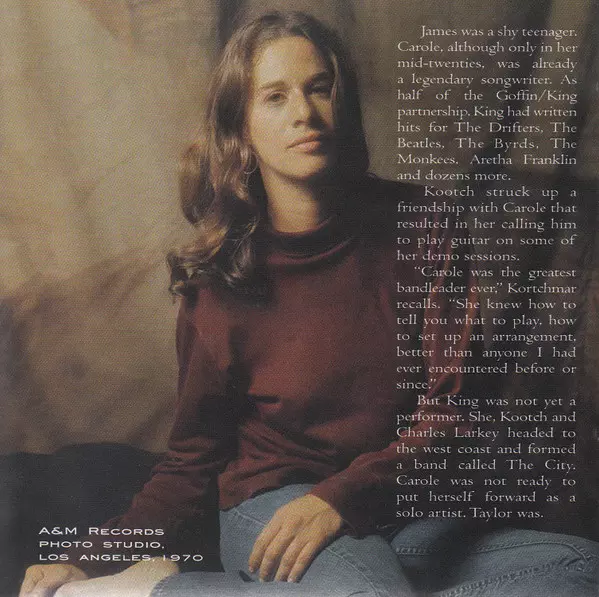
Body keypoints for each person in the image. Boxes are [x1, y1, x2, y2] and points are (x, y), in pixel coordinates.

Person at [20, 10, 598, 597]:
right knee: (368, 594)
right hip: (275, 507)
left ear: (342, 103)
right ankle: (148, 590)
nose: (304, 113)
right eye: (275, 97)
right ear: (242, 131)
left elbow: (456, 409)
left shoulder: (423, 225)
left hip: (393, 507)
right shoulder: (218, 283)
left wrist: (342, 499)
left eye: (319, 88)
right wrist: (87, 561)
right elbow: (192, 460)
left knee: (582, 568)